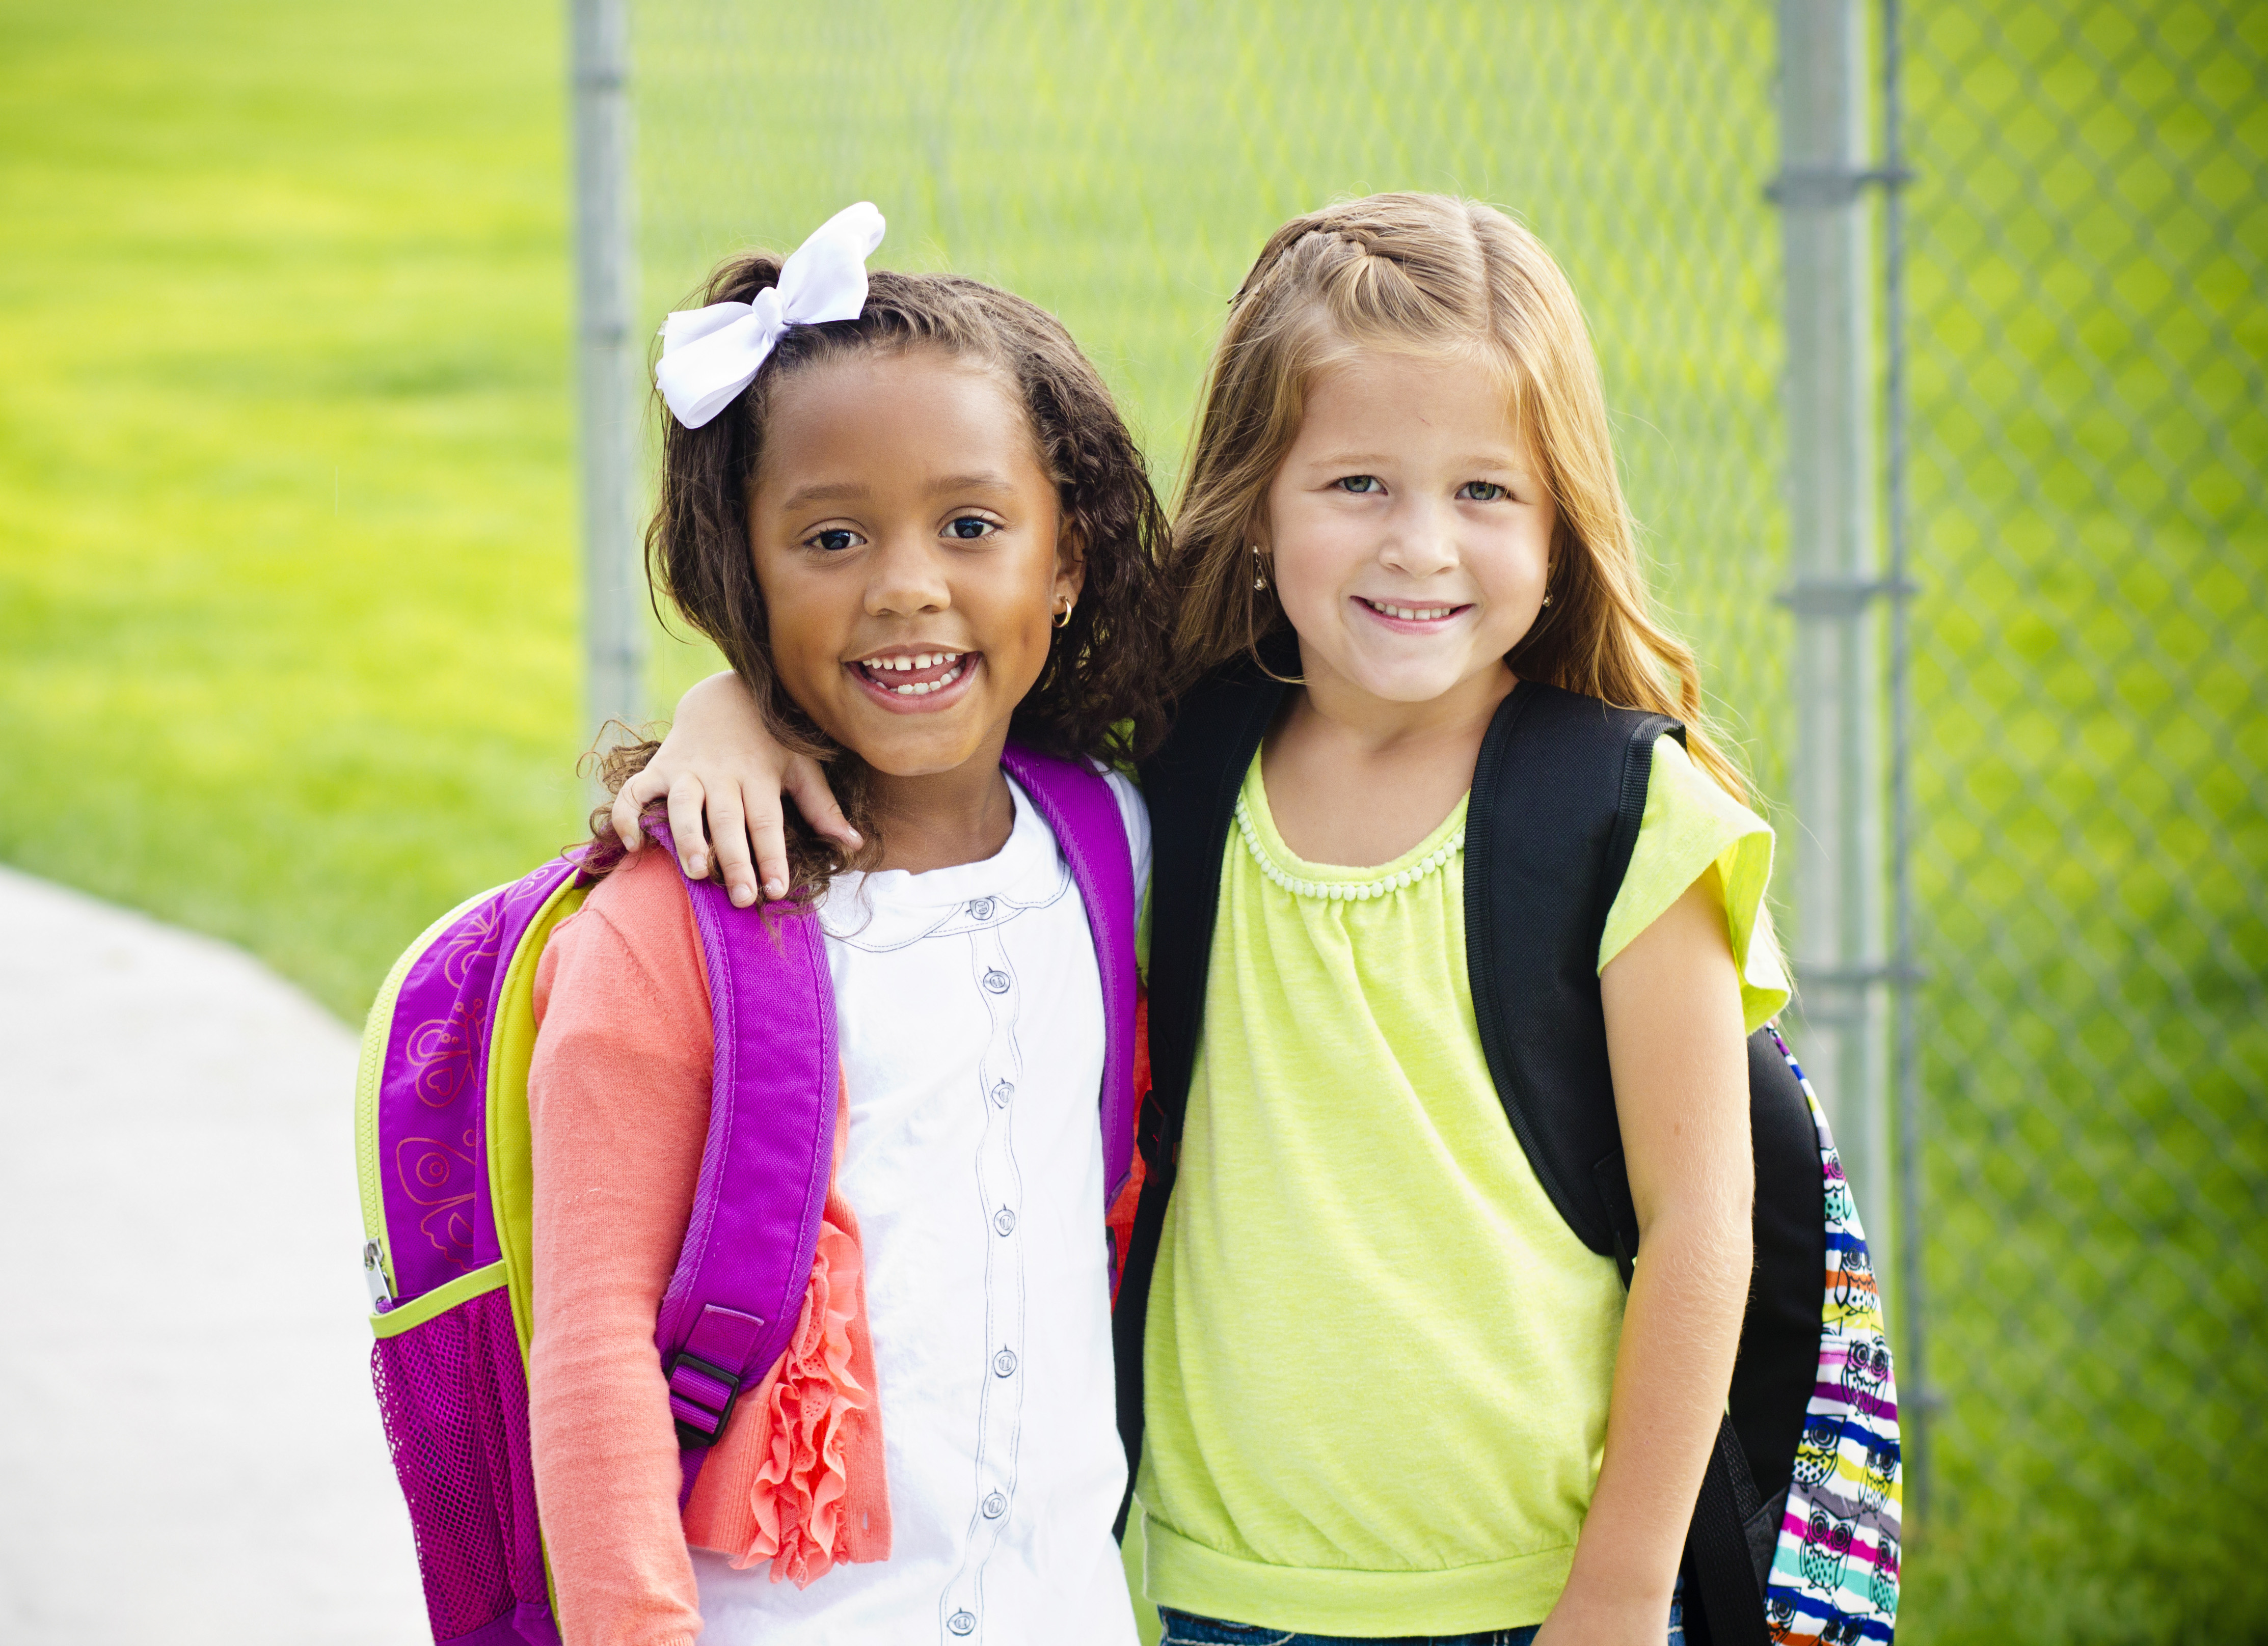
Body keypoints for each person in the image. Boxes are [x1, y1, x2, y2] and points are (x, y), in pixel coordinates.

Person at [625, 193, 1790, 1646]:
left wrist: (1618, 1596)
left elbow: (1703, 1232)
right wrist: (725, 704)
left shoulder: (1624, 813)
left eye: (1485, 493)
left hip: (1538, 1596)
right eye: (1358, 484)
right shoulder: (1163, 780)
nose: (1419, 548)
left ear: (1562, 521)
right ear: (1256, 501)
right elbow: (937, 681)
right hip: (1210, 1588)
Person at [528, 204, 1172, 1646]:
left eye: (970, 525)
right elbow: (591, 1364)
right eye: (829, 536)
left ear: (1063, 564)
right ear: (740, 576)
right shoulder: (666, 931)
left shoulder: (1117, 848)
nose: (904, 585)